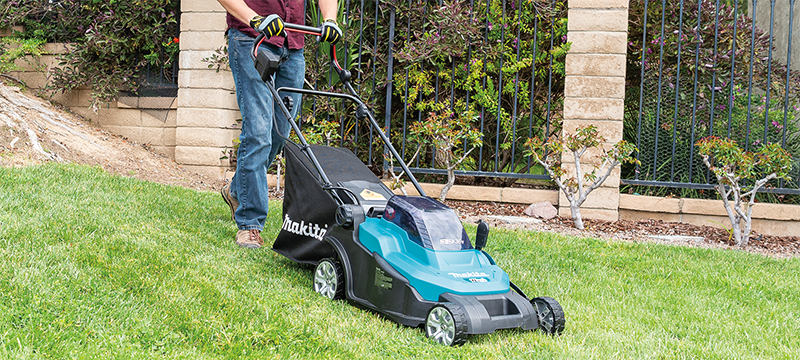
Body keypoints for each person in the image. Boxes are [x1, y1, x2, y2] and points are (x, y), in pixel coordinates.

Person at [217, 0, 341, 248]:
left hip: (293, 45)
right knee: (258, 132)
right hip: (251, 39)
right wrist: (255, 18)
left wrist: (330, 19)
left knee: (279, 133)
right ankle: (250, 224)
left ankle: (237, 191)